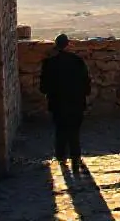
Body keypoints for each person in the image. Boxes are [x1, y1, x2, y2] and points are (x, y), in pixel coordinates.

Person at [39, 34, 91, 166]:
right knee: (74, 130)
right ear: (68, 45)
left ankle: (60, 156)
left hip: (57, 103)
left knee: (60, 130)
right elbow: (86, 83)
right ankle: (75, 156)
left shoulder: (49, 63)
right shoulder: (78, 61)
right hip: (76, 102)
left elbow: (43, 88)